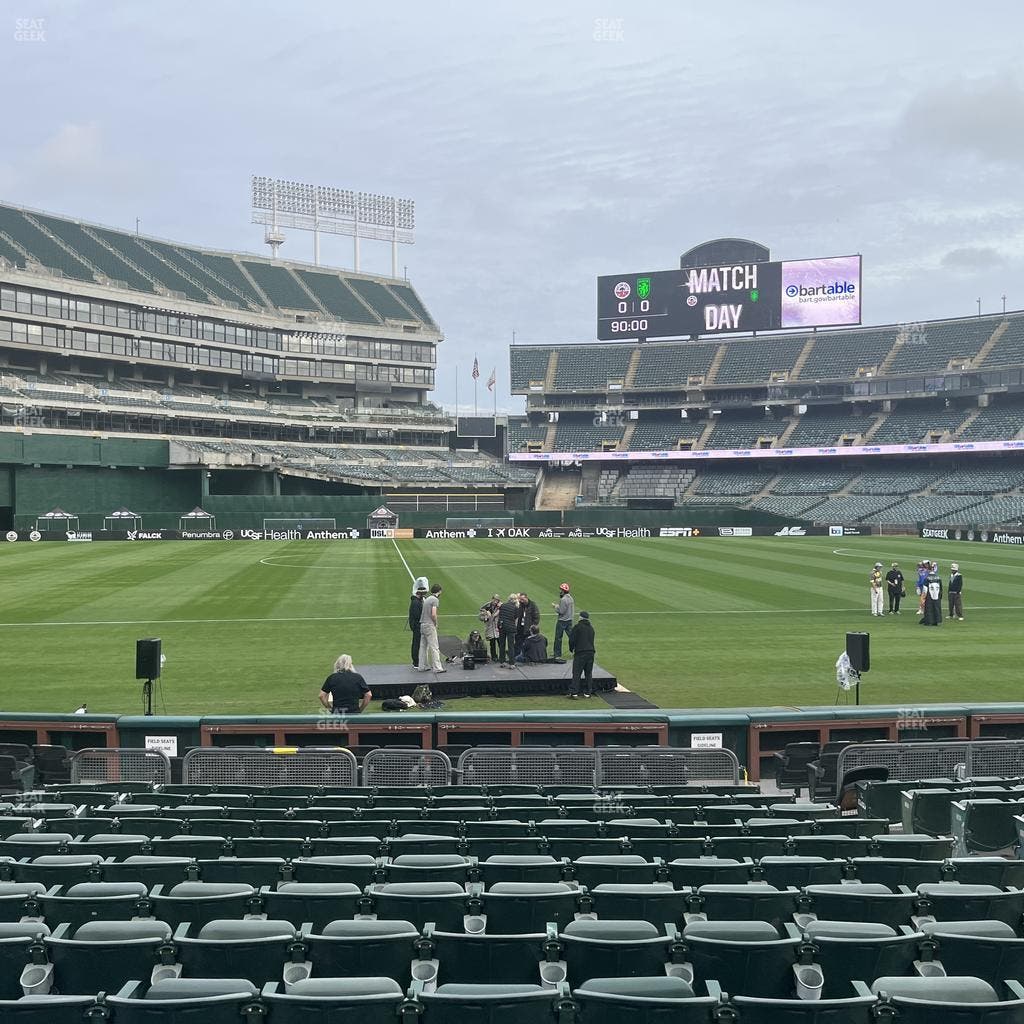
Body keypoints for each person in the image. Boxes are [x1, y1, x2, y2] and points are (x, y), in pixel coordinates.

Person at [568, 610, 596, 699]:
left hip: (581, 653)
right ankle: (588, 692)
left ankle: (574, 692)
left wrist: (571, 648)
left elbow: (572, 640)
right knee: (588, 673)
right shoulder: (591, 628)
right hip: (591, 652)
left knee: (576, 673)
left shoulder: (577, 627)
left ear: (580, 617)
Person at [418, 583, 446, 673]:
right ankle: (437, 667)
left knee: (423, 647)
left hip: (422, 624)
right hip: (429, 625)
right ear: (439, 591)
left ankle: (422, 666)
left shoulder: (427, 599)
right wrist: (436, 623)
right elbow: (433, 614)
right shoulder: (435, 600)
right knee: (434, 647)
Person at [551, 582, 574, 660]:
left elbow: (561, 611)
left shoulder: (563, 599)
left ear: (563, 591)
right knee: (572, 637)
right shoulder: (571, 598)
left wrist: (555, 607)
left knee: (558, 638)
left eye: (561, 590)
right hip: (569, 620)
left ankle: (557, 654)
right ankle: (575, 651)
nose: (560, 591)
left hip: (562, 621)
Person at [497, 592, 520, 668]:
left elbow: (500, 614)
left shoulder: (503, 605)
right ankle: (511, 663)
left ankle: (502, 662)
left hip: (502, 626)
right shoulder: (516, 608)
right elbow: (515, 618)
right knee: (511, 646)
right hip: (510, 627)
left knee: (502, 645)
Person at [515, 592, 540, 658]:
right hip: (520, 627)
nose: (521, 601)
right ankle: (518, 656)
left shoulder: (533, 605)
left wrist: (532, 627)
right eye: (520, 599)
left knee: (528, 643)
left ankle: (527, 656)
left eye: (522, 599)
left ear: (526, 598)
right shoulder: (520, 605)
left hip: (528, 628)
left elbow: (537, 617)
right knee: (518, 642)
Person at [408, 583, 427, 667]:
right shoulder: (416, 603)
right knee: (417, 644)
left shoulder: (416, 601)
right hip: (417, 626)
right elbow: (417, 615)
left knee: (417, 643)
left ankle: (417, 661)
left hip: (416, 626)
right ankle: (416, 662)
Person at [479, 594, 501, 661]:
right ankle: (494, 657)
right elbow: (481, 613)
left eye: (497, 600)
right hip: (490, 627)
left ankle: (502, 656)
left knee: (500, 643)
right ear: (492, 599)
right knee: (492, 643)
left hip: (498, 627)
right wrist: (485, 616)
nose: (495, 601)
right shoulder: (488, 605)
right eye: (494, 599)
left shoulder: (501, 606)